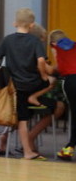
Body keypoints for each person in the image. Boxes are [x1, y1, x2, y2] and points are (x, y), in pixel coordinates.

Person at [0, 8, 64, 160]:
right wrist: (45, 76)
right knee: (51, 83)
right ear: (32, 26)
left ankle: (25, 149)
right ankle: (27, 152)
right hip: (31, 85)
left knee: (22, 118)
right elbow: (41, 62)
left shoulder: (8, 39)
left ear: (14, 23)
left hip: (14, 87)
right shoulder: (34, 41)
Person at [48, 29, 76, 161]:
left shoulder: (55, 46)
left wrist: (51, 73)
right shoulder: (74, 45)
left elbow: (58, 67)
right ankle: (70, 147)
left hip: (71, 81)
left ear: (52, 42)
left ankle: (69, 148)